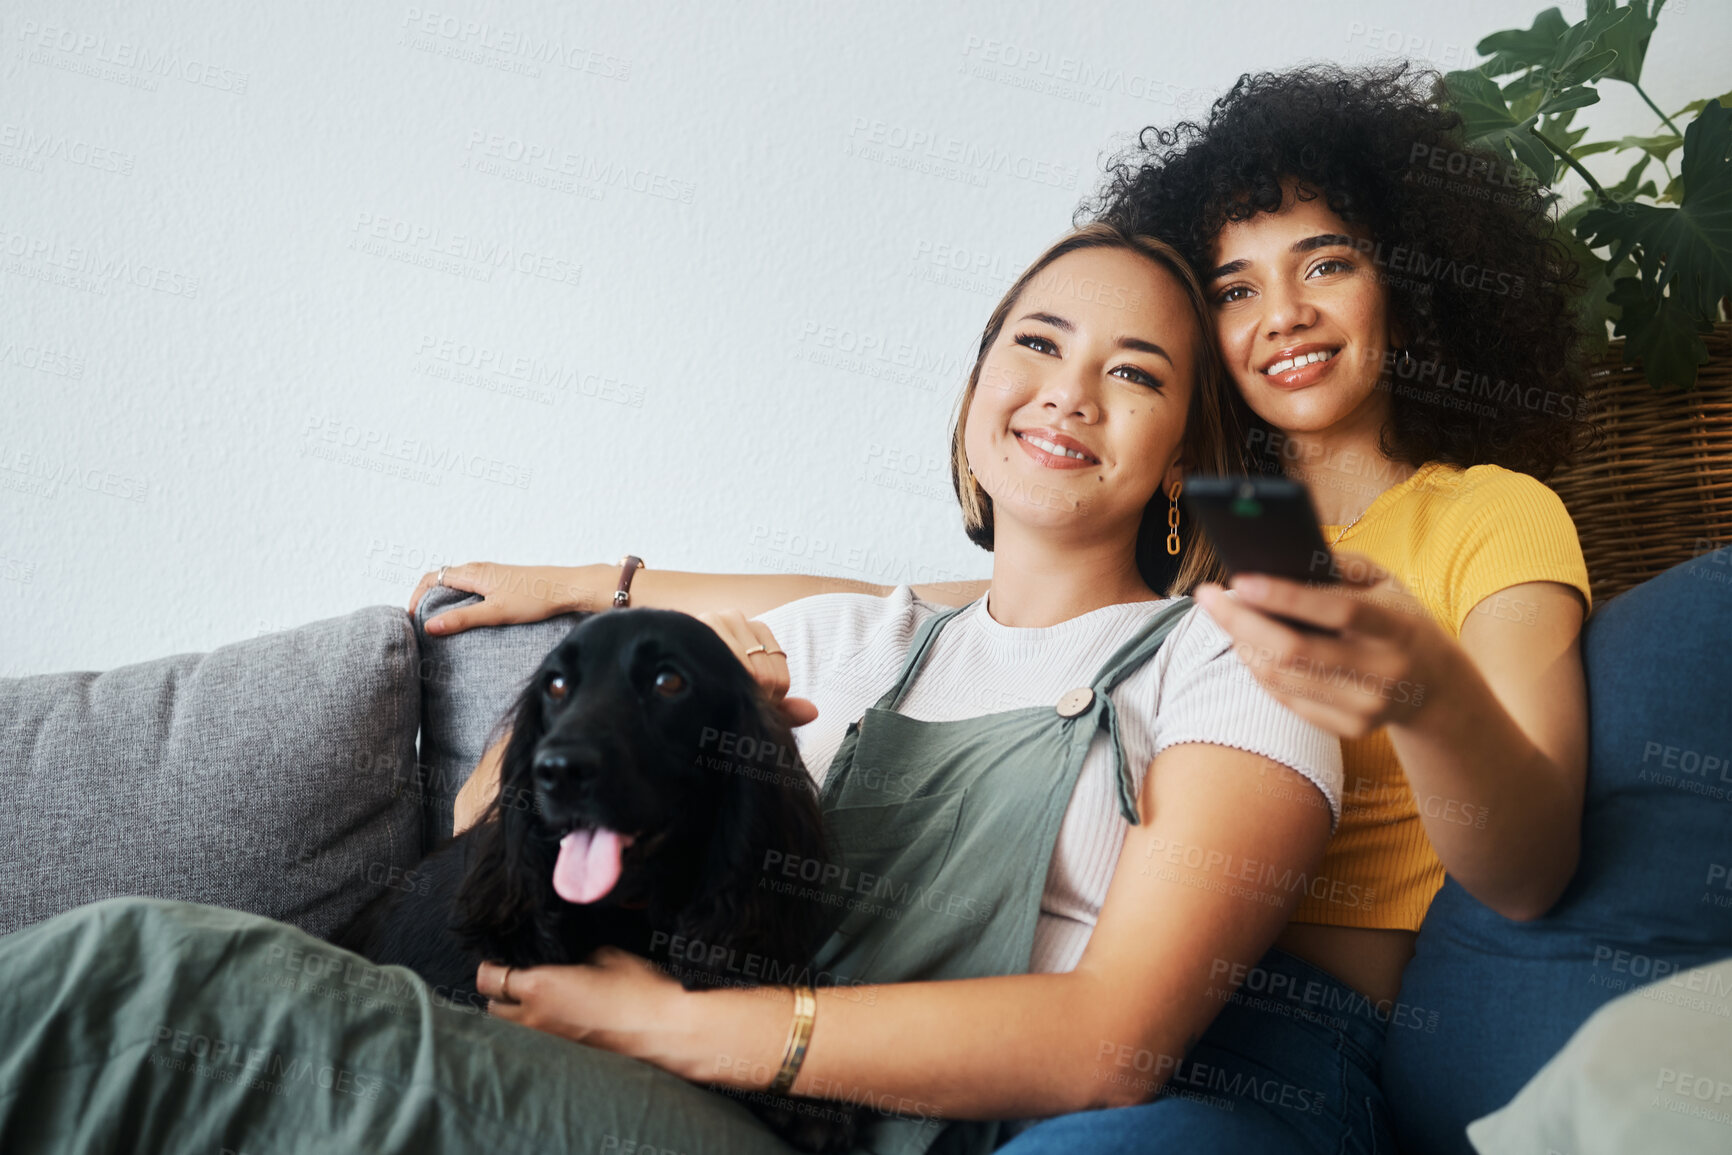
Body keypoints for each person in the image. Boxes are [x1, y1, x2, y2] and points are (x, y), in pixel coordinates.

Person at [421, 62, 1595, 1154]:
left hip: (1274, 1024)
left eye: (1327, 263)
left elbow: (1526, 862)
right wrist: (604, 594)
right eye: (1234, 287)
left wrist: (1419, 691)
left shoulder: (1435, 532)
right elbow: (933, 610)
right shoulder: (1230, 539)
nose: (1281, 313)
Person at [0, 226, 1344, 1155]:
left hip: (814, 1120)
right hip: (638, 1075)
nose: (1069, 394)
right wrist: (654, 692)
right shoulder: (845, 637)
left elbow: (1112, 1044)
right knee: (148, 995)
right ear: (976, 388)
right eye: (1037, 346)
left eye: (1135, 372)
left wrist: (682, 1022)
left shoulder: (1230, 661)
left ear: (1185, 451)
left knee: (135, 973)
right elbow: (500, 807)